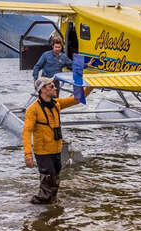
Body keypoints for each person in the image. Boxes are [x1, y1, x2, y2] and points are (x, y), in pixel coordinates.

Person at [23, 76, 92, 204]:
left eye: (54, 85)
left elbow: (77, 99)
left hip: (56, 149)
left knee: (55, 182)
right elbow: (26, 132)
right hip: (43, 152)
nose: (55, 88)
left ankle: (51, 207)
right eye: (51, 86)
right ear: (42, 90)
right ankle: (38, 210)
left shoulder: (57, 103)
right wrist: (28, 154)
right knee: (48, 182)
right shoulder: (32, 109)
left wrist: (91, 86)